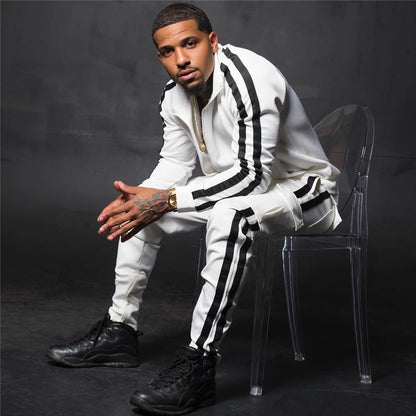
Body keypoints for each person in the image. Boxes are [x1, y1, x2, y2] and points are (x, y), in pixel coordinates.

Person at [47, 3, 342, 415]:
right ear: (160, 57)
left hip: (305, 192)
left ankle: (199, 364)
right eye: (169, 51)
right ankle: (119, 332)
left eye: (190, 44)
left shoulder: (250, 78)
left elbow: (252, 177)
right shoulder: (175, 96)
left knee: (228, 215)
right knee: (141, 211)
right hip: (238, 191)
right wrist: (144, 198)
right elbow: (175, 164)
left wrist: (165, 199)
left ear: (212, 41)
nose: (181, 59)